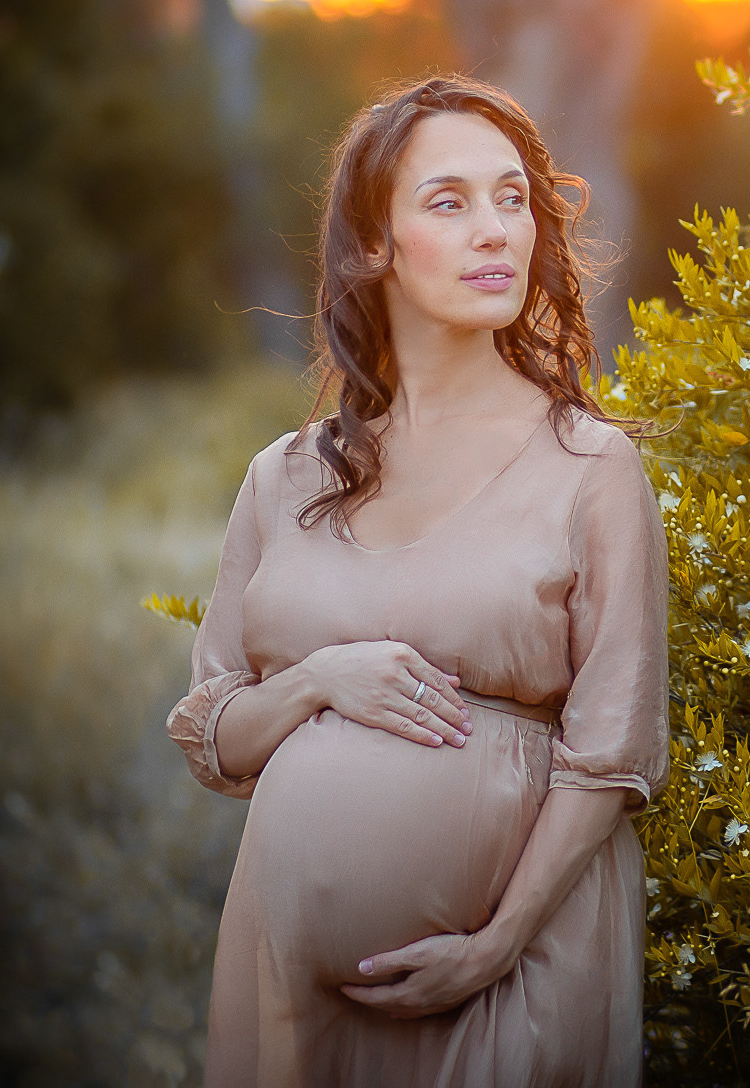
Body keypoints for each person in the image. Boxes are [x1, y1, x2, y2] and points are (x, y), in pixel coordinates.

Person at [165, 76, 669, 1087]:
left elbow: (613, 755)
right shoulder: (285, 475)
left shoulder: (589, 467)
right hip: (292, 995)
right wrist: (315, 681)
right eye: (449, 202)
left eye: (512, 198)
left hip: (513, 975)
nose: (495, 231)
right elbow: (214, 735)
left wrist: (494, 945)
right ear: (372, 245)